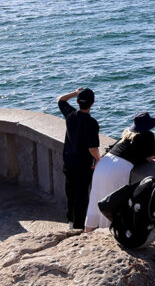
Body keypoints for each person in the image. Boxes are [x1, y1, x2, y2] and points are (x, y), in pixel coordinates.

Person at [84, 111, 155, 231]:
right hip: (117, 170)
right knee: (111, 204)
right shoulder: (148, 135)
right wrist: (154, 153)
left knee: (95, 201)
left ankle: (87, 234)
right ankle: (106, 234)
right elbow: (149, 158)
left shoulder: (127, 133)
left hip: (103, 164)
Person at [58, 87, 100, 229]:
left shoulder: (70, 115)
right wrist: (98, 159)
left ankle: (71, 222)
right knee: (82, 196)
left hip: (69, 162)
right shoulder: (91, 123)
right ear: (92, 103)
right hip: (83, 165)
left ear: (77, 102)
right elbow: (92, 148)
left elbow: (61, 100)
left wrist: (75, 92)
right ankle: (78, 227)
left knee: (71, 193)